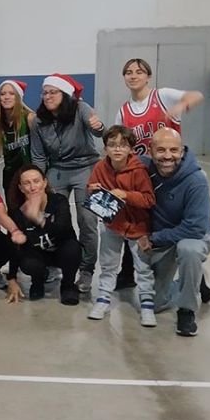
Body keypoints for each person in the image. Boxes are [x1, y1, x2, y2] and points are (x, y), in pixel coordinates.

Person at [114, 57, 207, 295]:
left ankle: (200, 281)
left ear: (148, 76)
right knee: (136, 219)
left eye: (139, 71)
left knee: (180, 222)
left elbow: (196, 95)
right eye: (128, 72)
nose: (133, 76)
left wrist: (179, 107)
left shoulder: (162, 96)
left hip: (172, 170)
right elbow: (119, 145)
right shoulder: (123, 111)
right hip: (145, 174)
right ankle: (127, 273)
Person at [30, 74, 104, 294]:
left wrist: (98, 125)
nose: (48, 96)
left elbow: (99, 131)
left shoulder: (80, 108)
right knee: (50, 218)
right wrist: (39, 185)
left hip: (86, 167)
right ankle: (53, 264)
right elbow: (38, 156)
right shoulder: (37, 121)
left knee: (87, 219)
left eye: (53, 92)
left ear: (65, 94)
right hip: (57, 169)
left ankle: (87, 269)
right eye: (45, 92)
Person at [138, 128, 210, 337]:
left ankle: (187, 310)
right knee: (154, 304)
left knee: (188, 250)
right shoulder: (143, 168)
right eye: (160, 150)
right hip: (164, 239)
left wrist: (154, 238)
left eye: (174, 150)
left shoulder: (196, 180)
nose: (167, 156)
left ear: (182, 151)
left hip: (193, 236)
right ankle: (197, 280)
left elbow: (197, 227)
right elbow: (115, 159)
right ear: (151, 151)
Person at [86, 126, 156, 326]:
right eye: (112, 145)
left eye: (123, 145)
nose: (117, 149)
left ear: (131, 149)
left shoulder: (139, 171)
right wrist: (93, 190)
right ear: (105, 148)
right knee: (108, 264)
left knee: (143, 267)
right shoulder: (100, 167)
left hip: (138, 227)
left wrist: (126, 195)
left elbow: (149, 199)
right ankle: (103, 299)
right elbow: (91, 188)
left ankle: (147, 304)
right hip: (112, 224)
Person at [5, 165, 82, 305]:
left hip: (60, 251)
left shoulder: (59, 201)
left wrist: (39, 219)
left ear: (44, 183)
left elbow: (62, 230)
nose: (33, 187)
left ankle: (68, 285)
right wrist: (12, 279)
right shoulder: (17, 212)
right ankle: (38, 280)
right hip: (37, 254)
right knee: (28, 263)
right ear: (21, 188)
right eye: (27, 183)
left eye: (36, 181)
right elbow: (13, 247)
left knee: (73, 248)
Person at [0, 79, 35, 193]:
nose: (6, 97)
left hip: (30, 178)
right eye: (3, 94)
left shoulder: (29, 118)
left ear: (18, 97)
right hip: (10, 178)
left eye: (11, 94)